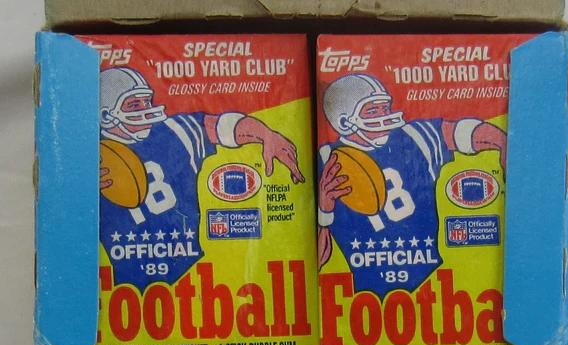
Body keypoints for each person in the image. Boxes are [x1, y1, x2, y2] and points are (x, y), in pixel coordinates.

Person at [99, 67, 304, 288]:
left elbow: (223, 126)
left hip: (194, 273)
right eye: (133, 105)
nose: (146, 110)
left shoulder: (174, 131)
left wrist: (265, 134)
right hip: (125, 285)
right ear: (107, 115)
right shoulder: (88, 157)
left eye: (146, 101)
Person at [318, 73, 507, 295]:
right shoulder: (327, 159)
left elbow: (463, 132)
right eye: (372, 111)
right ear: (345, 122)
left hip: (434, 282)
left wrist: (502, 142)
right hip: (366, 296)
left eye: (384, 108)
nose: (384, 116)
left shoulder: (414, 136)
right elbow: (319, 258)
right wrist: (324, 211)